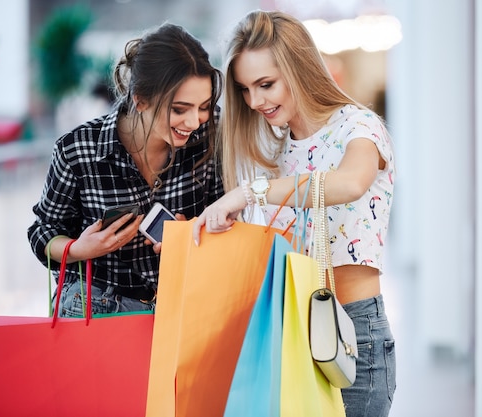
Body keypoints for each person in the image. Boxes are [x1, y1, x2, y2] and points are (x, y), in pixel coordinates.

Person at [192, 10, 396, 417]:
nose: (255, 101)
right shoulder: (279, 151)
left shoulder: (358, 127)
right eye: (246, 89)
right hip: (291, 330)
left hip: (352, 333)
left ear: (299, 67)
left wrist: (249, 194)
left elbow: (350, 183)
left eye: (266, 84)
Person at [28, 22, 224, 316]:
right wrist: (80, 249)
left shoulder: (212, 134)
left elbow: (229, 218)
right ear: (141, 100)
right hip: (94, 308)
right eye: (179, 109)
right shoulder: (77, 149)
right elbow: (42, 232)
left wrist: (195, 235)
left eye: (204, 106)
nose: (195, 121)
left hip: (184, 307)